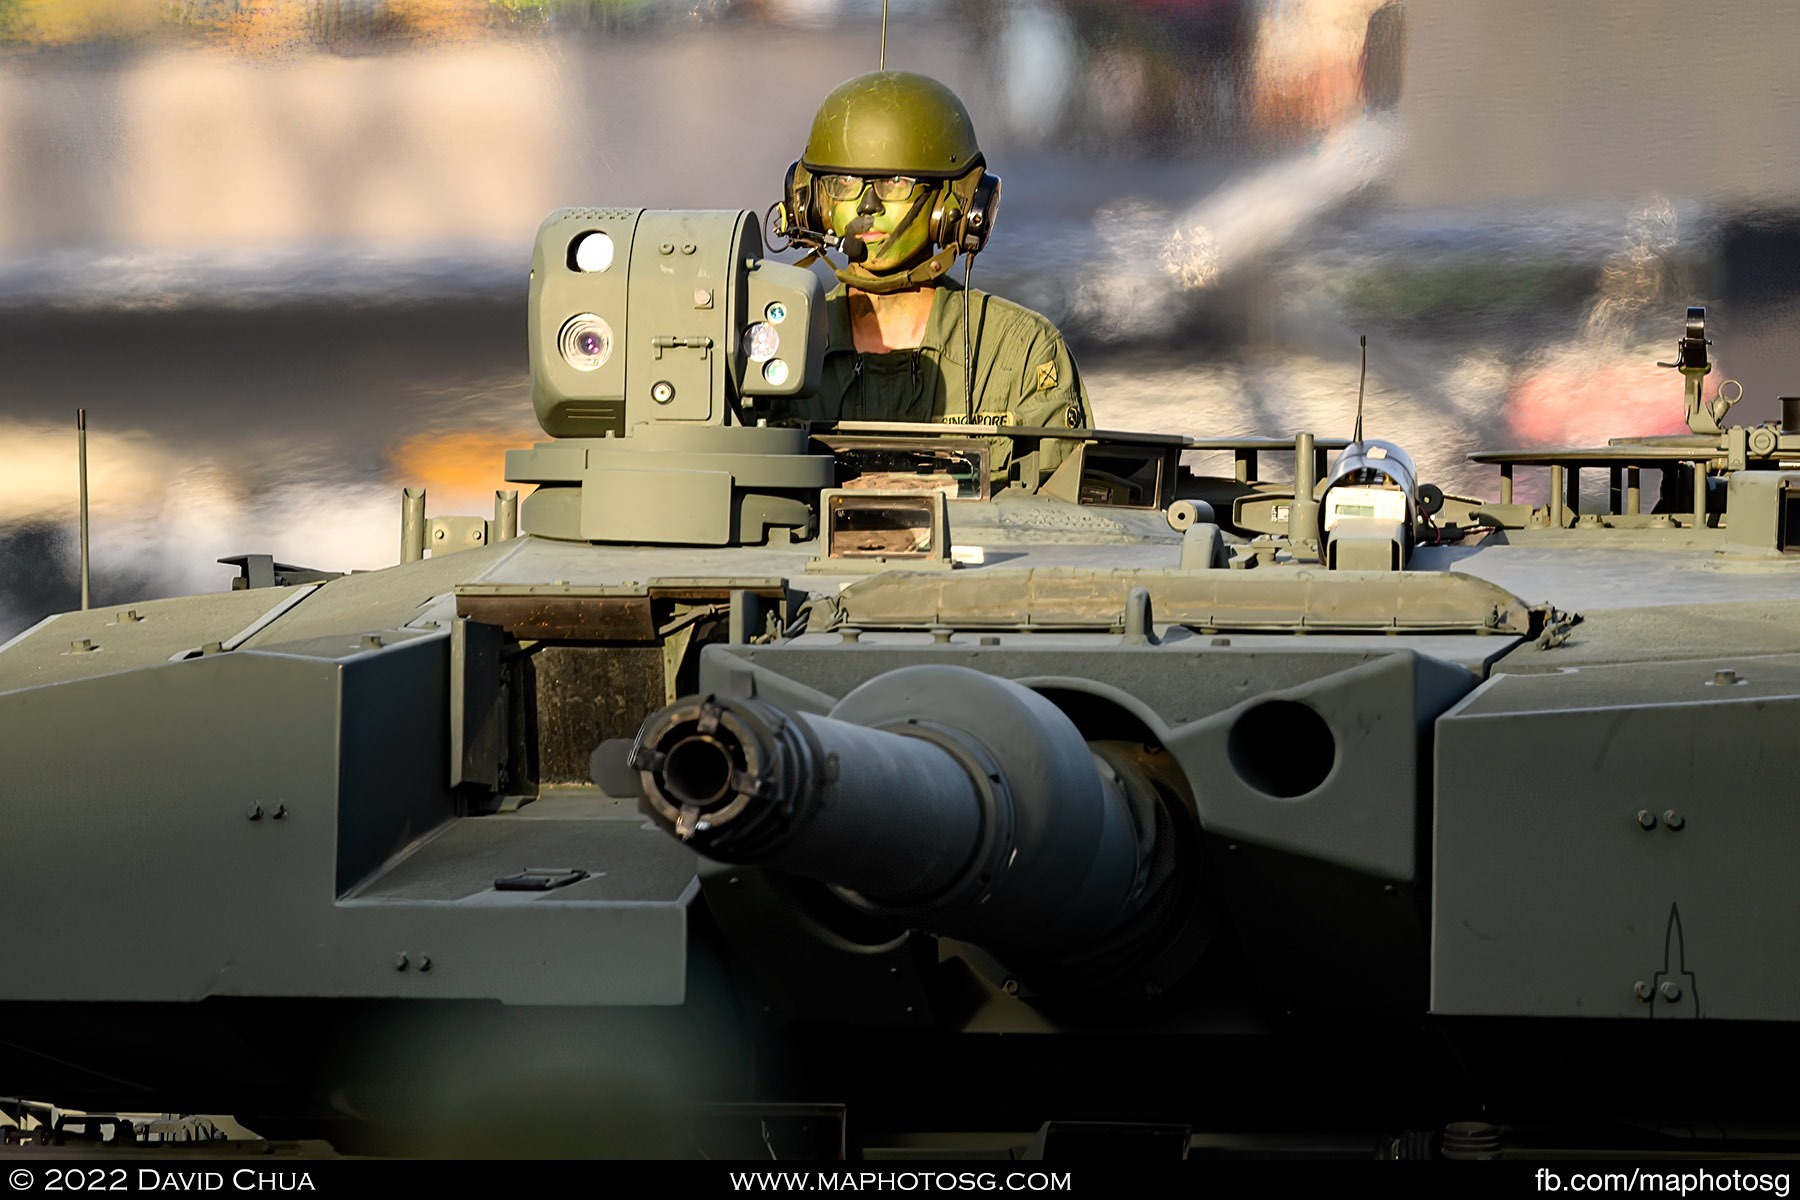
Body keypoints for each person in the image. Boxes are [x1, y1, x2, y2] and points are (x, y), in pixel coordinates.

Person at [771, 70, 1093, 478]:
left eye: (896, 181)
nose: (868, 206)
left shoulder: (1019, 352)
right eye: (846, 181)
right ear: (810, 204)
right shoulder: (776, 350)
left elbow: (1065, 517)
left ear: (955, 208)